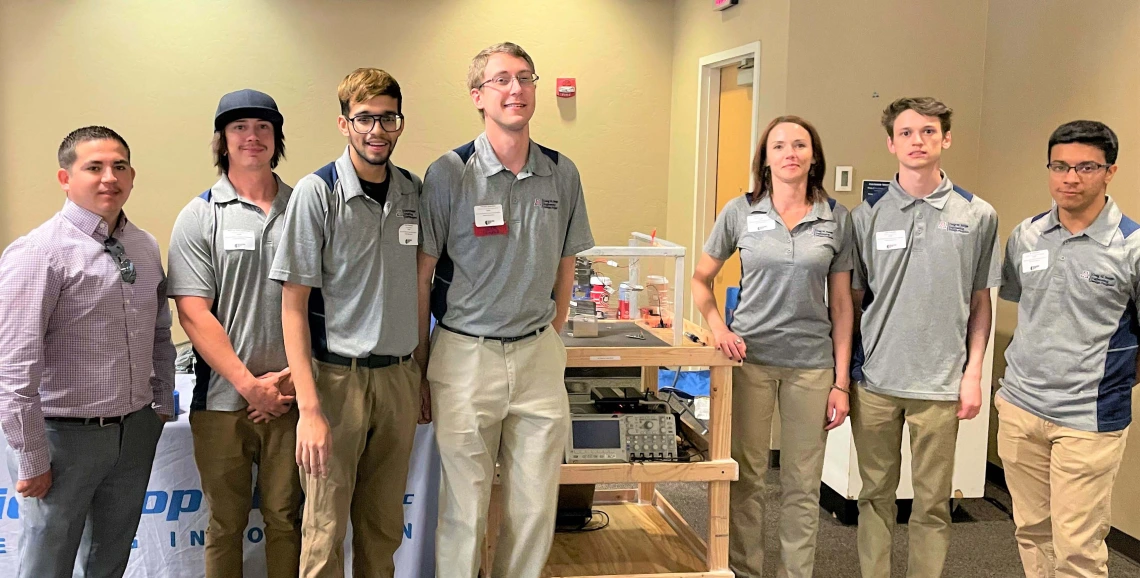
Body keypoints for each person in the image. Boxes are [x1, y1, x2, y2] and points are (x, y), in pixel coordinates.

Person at [416, 42, 594, 578]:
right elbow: (422, 275)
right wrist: (423, 363)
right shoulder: (449, 173)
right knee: (464, 513)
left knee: (535, 510)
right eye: (501, 80)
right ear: (478, 96)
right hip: (465, 357)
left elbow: (566, 265)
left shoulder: (562, 174)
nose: (515, 89)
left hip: (538, 359)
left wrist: (551, 336)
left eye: (524, 78)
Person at [0, 126, 175, 578]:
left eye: (119, 167)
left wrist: (159, 406)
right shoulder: (39, 253)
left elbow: (160, 334)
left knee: (110, 560)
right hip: (64, 440)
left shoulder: (144, 245)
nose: (108, 178)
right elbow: (14, 370)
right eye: (93, 167)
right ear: (65, 178)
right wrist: (33, 459)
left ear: (132, 175)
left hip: (134, 430)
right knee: (47, 564)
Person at [270, 68, 423, 578]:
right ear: (344, 123)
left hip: (399, 379)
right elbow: (293, 306)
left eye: (387, 118)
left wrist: (419, 373)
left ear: (400, 124)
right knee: (325, 527)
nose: (376, 130)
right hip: (337, 383)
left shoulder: (412, 193)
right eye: (364, 119)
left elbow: (420, 289)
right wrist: (310, 411)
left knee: (383, 525)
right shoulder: (317, 193)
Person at [692, 115, 855, 578]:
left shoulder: (835, 218)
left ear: (814, 155)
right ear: (764, 158)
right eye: (779, 145)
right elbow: (701, 280)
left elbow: (842, 307)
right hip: (750, 362)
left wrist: (840, 382)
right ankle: (744, 569)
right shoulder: (740, 212)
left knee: (803, 484)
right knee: (747, 477)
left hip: (811, 366)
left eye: (800, 144)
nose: (790, 153)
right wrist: (718, 329)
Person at [849, 97, 1001, 577]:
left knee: (933, 503)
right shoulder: (866, 215)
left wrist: (973, 373)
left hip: (940, 385)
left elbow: (980, 302)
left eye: (929, 132)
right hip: (876, 382)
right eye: (908, 133)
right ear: (891, 143)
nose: (919, 141)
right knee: (874, 496)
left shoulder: (978, 215)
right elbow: (853, 301)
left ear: (946, 139)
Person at [168, 89, 302, 577]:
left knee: (287, 519)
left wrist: (286, 384)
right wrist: (252, 387)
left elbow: (325, 302)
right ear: (223, 140)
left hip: (293, 400)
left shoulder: (306, 206)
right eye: (239, 127)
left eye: (263, 127)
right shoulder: (200, 215)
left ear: (276, 139)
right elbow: (194, 314)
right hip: (223, 403)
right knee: (225, 524)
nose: (252, 137)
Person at [996, 120, 1136, 578]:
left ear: (1109, 171)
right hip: (1020, 407)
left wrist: (1113, 380)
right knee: (1032, 530)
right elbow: (1023, 304)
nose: (1070, 178)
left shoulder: (1131, 247)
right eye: (1060, 166)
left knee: (1077, 546)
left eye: (1085, 167)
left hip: (1087, 419)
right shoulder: (1027, 235)